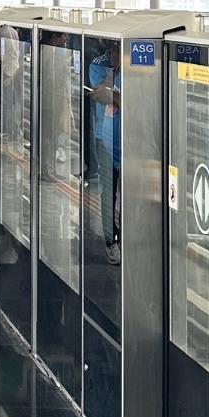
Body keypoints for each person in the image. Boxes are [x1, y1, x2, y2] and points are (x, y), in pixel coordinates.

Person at [88, 41, 121, 265]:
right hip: (106, 137)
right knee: (108, 191)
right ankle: (111, 241)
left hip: (132, 139)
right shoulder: (98, 65)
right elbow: (101, 94)